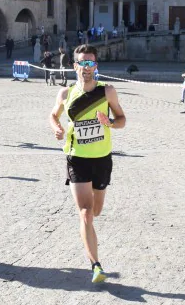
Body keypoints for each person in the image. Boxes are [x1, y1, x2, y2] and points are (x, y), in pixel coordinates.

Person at [49, 44, 127, 284]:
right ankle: (96, 265)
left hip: (102, 159)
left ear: (96, 66)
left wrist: (110, 123)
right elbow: (53, 115)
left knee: (96, 211)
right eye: (82, 63)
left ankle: (89, 236)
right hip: (77, 158)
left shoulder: (107, 92)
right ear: (75, 66)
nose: (87, 67)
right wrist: (57, 128)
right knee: (85, 213)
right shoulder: (65, 94)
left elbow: (122, 120)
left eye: (91, 63)